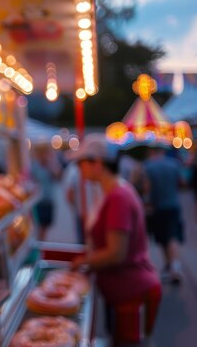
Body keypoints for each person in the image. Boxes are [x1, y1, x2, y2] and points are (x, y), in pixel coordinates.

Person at [69, 134, 161, 347]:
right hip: (123, 291)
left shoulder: (118, 197)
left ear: (97, 163)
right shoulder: (114, 191)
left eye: (81, 163)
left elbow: (116, 253)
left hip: (131, 291)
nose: (78, 169)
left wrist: (83, 262)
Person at [143, 146, 184, 284]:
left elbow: (146, 188)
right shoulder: (174, 164)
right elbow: (181, 182)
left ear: (151, 151)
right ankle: (173, 266)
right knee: (172, 235)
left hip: (157, 207)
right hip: (173, 205)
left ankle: (172, 265)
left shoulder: (148, 166)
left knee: (163, 237)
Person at [62, 161, 103, 244]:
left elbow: (69, 194)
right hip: (91, 213)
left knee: (84, 242)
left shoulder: (72, 170)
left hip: (83, 213)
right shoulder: (75, 170)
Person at [30, 145, 61, 241]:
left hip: (49, 200)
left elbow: (58, 177)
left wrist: (51, 165)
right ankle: (39, 244)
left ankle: (41, 243)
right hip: (38, 202)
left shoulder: (51, 165)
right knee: (38, 227)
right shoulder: (34, 166)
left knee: (45, 227)